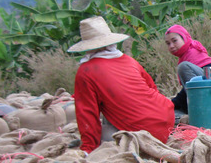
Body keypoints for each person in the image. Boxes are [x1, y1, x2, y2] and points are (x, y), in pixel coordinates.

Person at [69, 16, 175, 153]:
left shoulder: (86, 71)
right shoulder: (129, 60)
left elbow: (87, 114)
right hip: (166, 118)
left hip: (146, 132)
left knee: (105, 135)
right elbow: (152, 88)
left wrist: (88, 148)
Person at [164, 24, 211, 114]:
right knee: (171, 114)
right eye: (168, 43)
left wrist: (173, 103)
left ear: (184, 38)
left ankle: (203, 112)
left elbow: (195, 86)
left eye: (174, 41)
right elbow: (192, 87)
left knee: (183, 67)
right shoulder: (186, 55)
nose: (171, 46)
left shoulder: (193, 54)